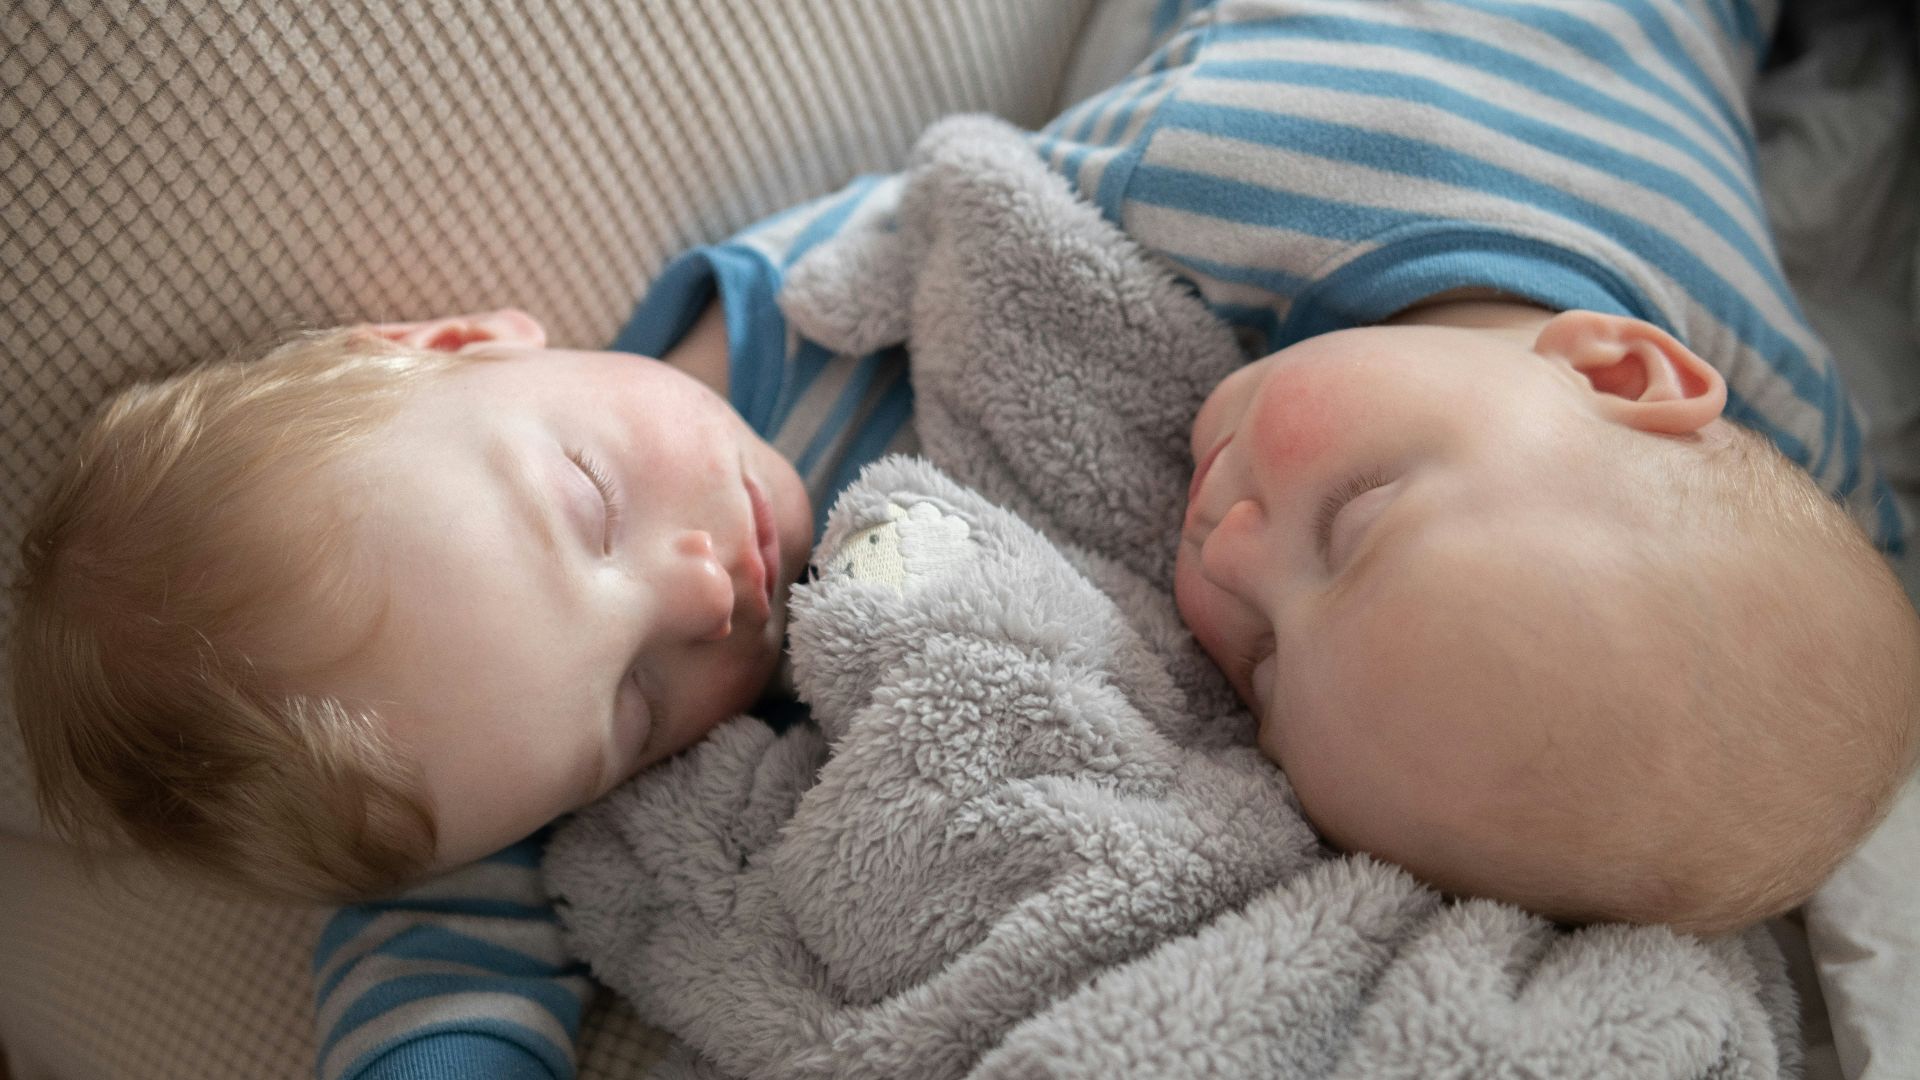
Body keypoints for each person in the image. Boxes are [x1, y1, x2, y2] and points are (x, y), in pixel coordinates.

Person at [10, 0, 1918, 1076]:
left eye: (583, 507)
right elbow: (437, 885)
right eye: (624, 711)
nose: (701, 598)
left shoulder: (1145, 206)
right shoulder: (501, 696)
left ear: (447, 343)